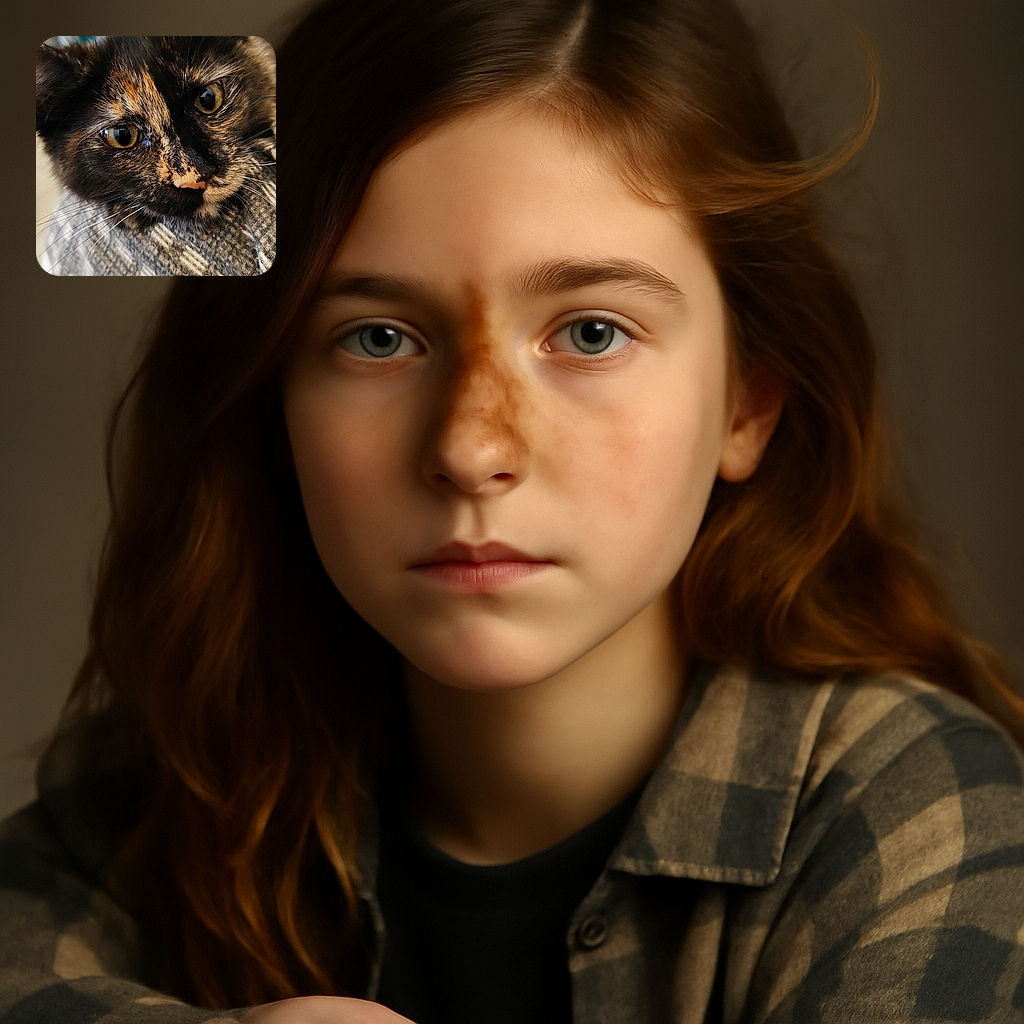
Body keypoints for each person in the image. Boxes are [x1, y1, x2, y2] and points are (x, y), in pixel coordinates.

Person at [2, 0, 1023, 1021]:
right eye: (377, 339)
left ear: (748, 398)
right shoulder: (159, 791)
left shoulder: (921, 812)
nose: (471, 448)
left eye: (589, 332)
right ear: (269, 398)